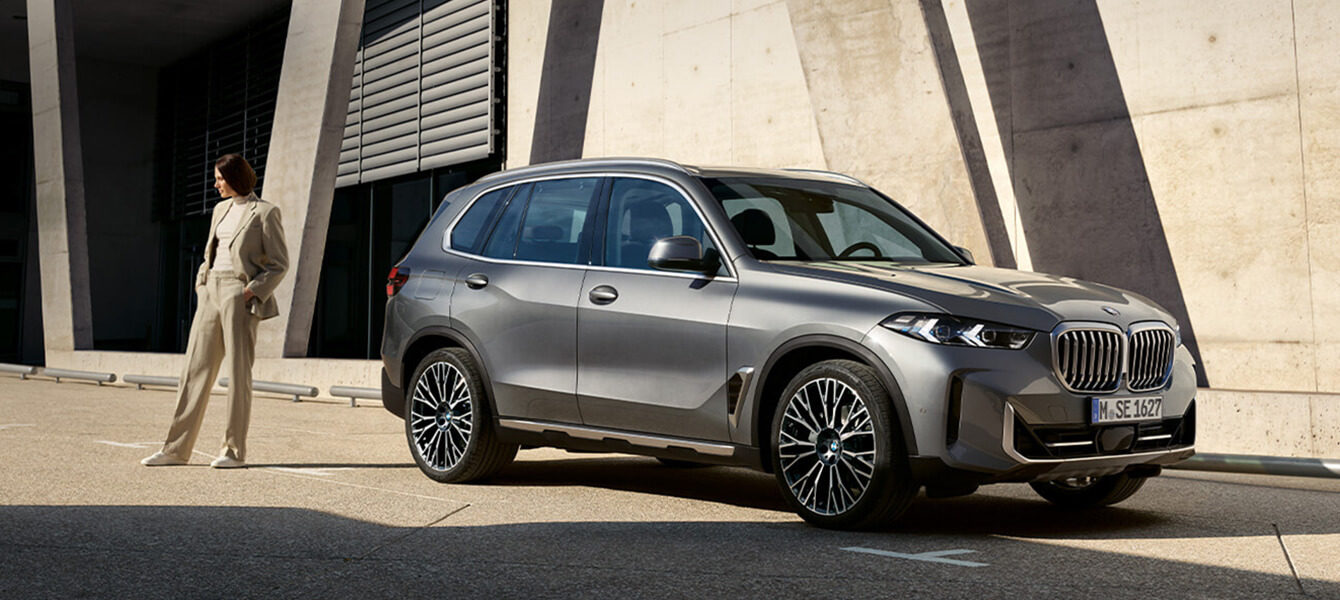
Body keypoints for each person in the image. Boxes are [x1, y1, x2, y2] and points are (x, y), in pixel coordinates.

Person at [142, 154, 288, 469]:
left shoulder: (264, 212)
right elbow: (212, 250)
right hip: (211, 290)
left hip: (240, 293)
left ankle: (233, 452)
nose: (215, 184)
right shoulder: (220, 210)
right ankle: (175, 450)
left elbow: (279, 264)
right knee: (194, 370)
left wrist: (251, 291)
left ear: (235, 177)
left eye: (220, 178)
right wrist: (202, 284)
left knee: (237, 375)